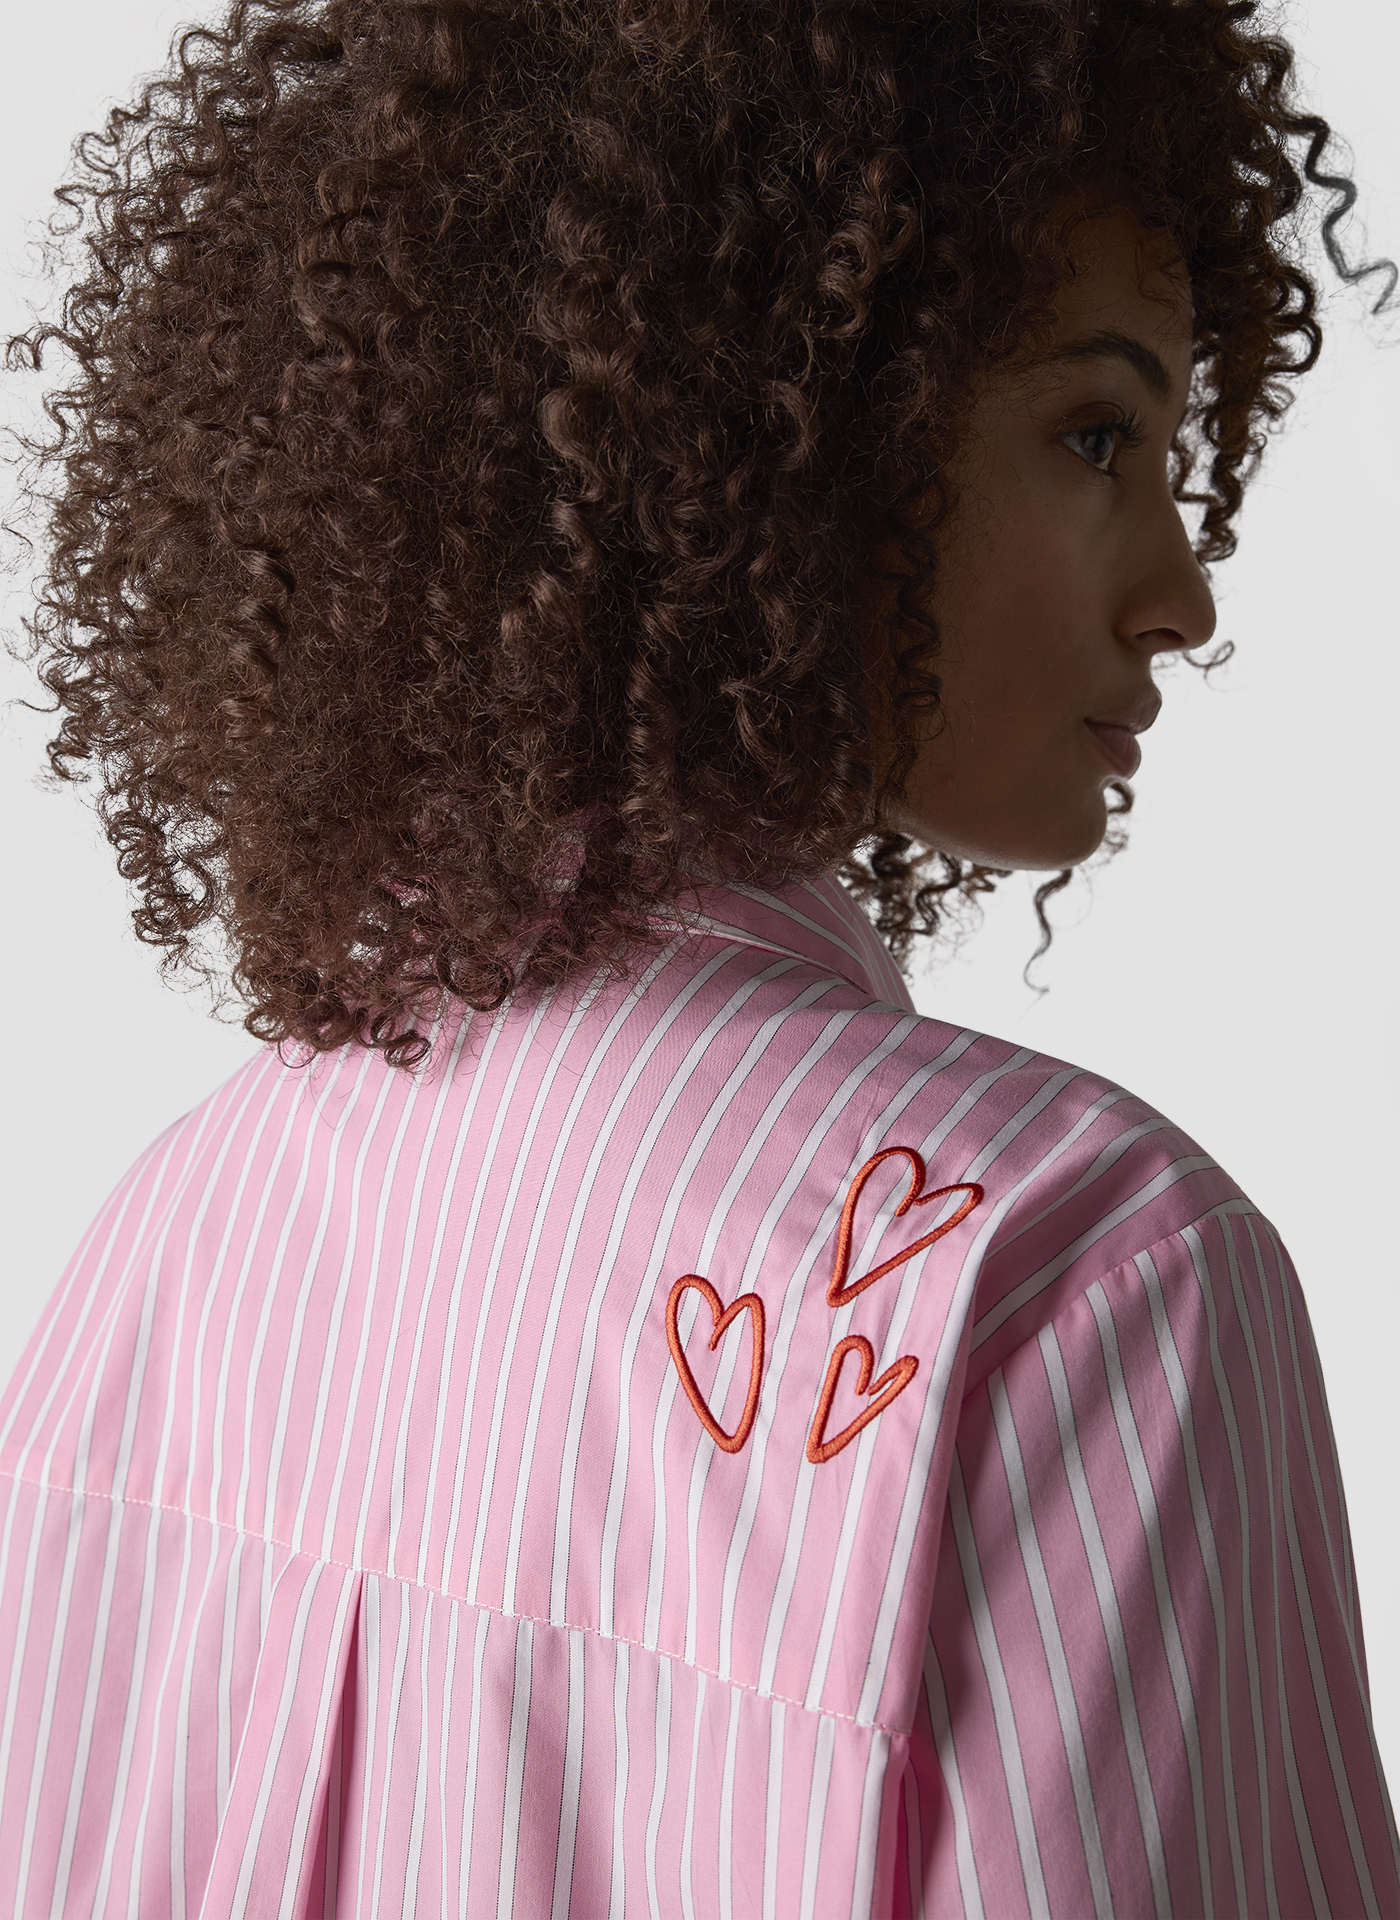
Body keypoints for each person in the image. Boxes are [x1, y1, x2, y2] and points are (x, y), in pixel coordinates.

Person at [0, 0, 1395, 1912]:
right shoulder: (1078, 1282)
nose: (1184, 593)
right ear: (771, 426)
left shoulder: (174, 1234)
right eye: (1098, 434)